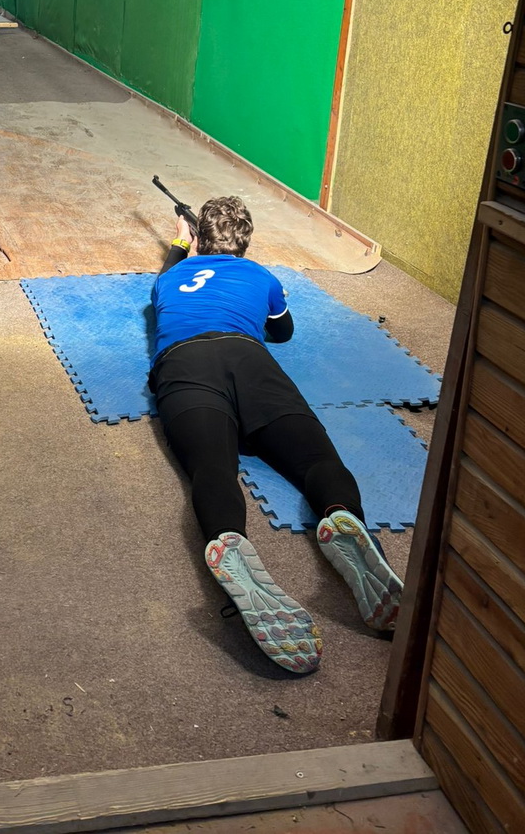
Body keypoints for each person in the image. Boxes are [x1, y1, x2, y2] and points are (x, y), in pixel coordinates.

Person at [151, 194, 403, 674]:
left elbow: (165, 278)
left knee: (212, 468)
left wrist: (180, 244)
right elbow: (282, 332)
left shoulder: (170, 280)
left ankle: (228, 539)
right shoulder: (261, 276)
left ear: (199, 240)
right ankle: (342, 516)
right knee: (318, 462)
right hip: (250, 360)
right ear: (245, 244)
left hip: (184, 364)